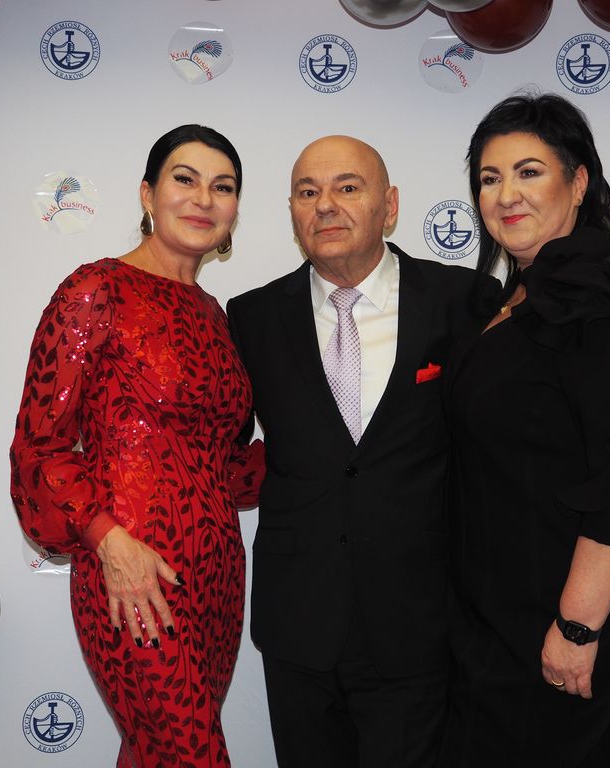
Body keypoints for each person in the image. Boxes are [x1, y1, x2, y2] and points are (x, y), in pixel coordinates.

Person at [9, 124, 262, 768]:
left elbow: (227, 464)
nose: (203, 198)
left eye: (223, 187)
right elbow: (40, 446)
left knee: (156, 754)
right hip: (131, 570)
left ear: (234, 211)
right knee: (190, 754)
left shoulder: (215, 315)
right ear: (148, 194)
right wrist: (108, 542)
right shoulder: (95, 290)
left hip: (217, 576)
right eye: (185, 179)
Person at [226, 135, 479, 768]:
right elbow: (217, 448)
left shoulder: (464, 302)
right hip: (298, 623)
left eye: (347, 187)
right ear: (291, 212)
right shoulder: (251, 318)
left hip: (419, 622)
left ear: (389, 206)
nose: (325, 205)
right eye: (307, 192)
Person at [439, 92, 610, 766]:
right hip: (493, 609)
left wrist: (577, 627)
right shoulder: (509, 298)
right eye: (490, 178)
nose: (506, 194)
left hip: (561, 610)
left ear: (578, 183)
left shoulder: (601, 290)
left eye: (529, 172)